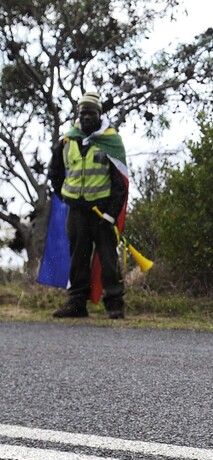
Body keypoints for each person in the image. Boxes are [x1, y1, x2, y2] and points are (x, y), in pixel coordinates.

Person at [48, 92, 130, 319]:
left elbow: (120, 184)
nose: (86, 117)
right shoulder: (67, 141)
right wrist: (65, 196)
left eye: (91, 113)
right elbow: (54, 171)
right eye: (82, 112)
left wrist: (111, 215)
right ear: (78, 114)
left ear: (99, 114)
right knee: (77, 258)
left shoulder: (111, 142)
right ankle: (76, 304)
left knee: (108, 259)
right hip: (77, 212)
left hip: (102, 213)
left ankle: (114, 305)